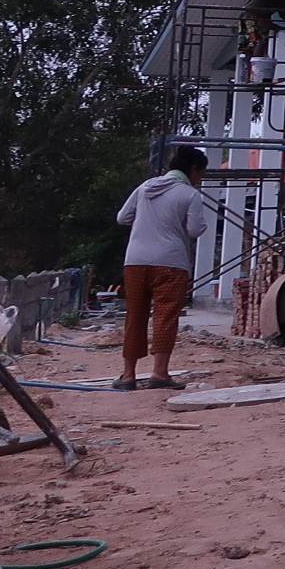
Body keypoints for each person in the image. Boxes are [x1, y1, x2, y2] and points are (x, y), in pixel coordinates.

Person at [114, 146, 211, 390]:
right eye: (201, 173)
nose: (200, 179)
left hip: (135, 260)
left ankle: (128, 376)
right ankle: (159, 373)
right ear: (193, 170)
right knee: (165, 316)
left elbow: (122, 218)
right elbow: (195, 229)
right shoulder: (189, 194)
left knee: (135, 315)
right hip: (171, 262)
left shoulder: (145, 187)